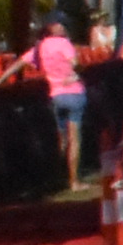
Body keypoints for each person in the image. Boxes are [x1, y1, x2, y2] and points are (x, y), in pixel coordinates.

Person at [34, 15, 88, 184]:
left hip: (55, 94)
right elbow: (75, 63)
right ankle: (74, 181)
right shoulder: (64, 43)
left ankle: (57, 176)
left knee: (61, 139)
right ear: (54, 27)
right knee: (74, 140)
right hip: (73, 91)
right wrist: (78, 72)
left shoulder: (42, 46)